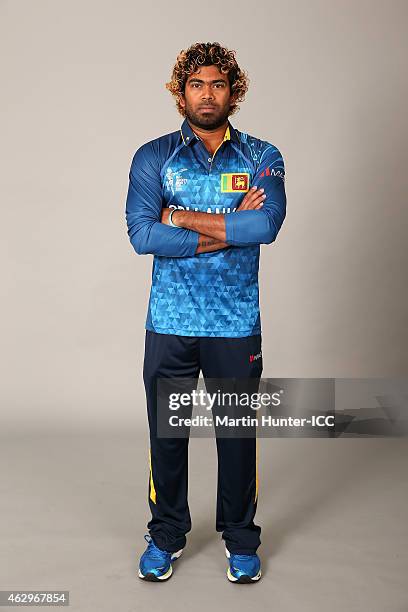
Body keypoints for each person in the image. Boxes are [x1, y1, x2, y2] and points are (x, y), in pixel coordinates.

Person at [125, 41, 286, 583]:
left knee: (237, 435)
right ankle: (166, 534)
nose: (207, 94)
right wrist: (222, 227)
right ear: (181, 92)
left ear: (233, 91)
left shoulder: (262, 157)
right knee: (166, 437)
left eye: (218, 84)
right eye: (197, 84)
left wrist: (182, 217)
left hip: (235, 323)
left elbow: (263, 228)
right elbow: (143, 234)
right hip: (169, 322)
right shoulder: (154, 157)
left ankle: (241, 540)